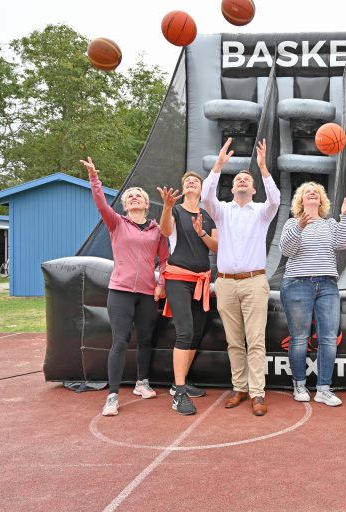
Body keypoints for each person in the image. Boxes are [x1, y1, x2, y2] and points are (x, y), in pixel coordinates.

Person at [80, 157, 168, 417]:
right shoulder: (116, 223)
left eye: (138, 195)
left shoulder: (156, 231)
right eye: (130, 196)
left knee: (145, 339)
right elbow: (100, 204)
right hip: (120, 292)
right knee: (119, 341)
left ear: (146, 204)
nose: (134, 198)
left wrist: (160, 284)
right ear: (125, 205)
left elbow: (164, 260)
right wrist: (94, 178)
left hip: (146, 294)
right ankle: (113, 395)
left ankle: (142, 383)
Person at [200, 137, 279, 417]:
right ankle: (240, 387)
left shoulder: (262, 211)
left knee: (255, 340)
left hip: (255, 281)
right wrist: (218, 166)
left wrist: (262, 167)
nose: (243, 181)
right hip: (225, 283)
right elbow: (206, 197)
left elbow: (276, 199)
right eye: (239, 179)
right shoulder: (221, 211)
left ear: (254, 188)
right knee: (234, 340)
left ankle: (258, 393)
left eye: (247, 179)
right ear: (232, 188)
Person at [279, 182, 346, 407]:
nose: (312, 194)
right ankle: (299, 384)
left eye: (316, 192)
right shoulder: (292, 223)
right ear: (301, 200)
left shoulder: (331, 224)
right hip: (297, 284)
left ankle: (323, 388)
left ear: (321, 201)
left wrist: (344, 216)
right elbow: (287, 251)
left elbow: (343, 243)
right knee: (300, 337)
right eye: (307, 192)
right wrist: (300, 226)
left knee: (329, 338)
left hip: (327, 286)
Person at [157, 172, 217, 416]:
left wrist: (201, 233)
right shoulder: (175, 211)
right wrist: (166, 206)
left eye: (195, 181)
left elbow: (216, 247)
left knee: (196, 333)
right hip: (178, 279)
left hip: (201, 280)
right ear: (182, 188)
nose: (190, 182)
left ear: (202, 189)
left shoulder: (208, 217)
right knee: (184, 332)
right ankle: (179, 393)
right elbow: (164, 230)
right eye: (186, 181)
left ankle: (178, 383)